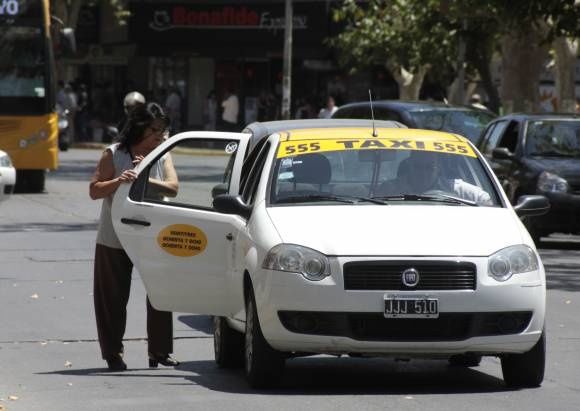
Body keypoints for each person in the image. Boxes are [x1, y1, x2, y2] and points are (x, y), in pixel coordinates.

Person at [89, 102, 179, 371]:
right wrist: (119, 181)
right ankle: (112, 353)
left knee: (160, 294)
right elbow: (94, 190)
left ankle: (160, 351)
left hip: (153, 235)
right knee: (112, 298)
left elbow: (173, 188)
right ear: (139, 128)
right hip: (114, 236)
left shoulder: (163, 155)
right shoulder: (114, 154)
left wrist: (143, 178)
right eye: (154, 130)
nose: (159, 137)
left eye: (163, 131)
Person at [377, 150, 492, 205]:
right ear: (409, 166)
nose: (423, 173)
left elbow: (485, 201)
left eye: (429, 167)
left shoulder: (461, 192)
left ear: (439, 169)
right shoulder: (388, 190)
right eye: (418, 166)